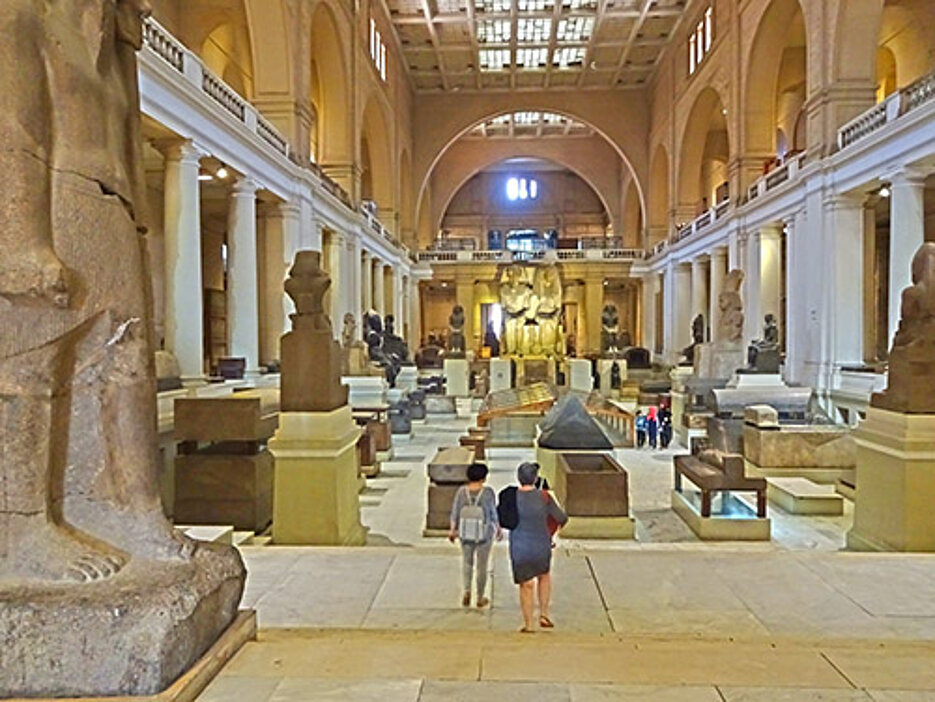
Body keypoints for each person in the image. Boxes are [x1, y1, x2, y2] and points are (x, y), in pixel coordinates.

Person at [506, 462, 568, 632]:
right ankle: (544, 614)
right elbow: (561, 518)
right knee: (544, 576)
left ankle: (528, 624)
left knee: (526, 585)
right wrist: (551, 532)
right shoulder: (544, 497)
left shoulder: (511, 497)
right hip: (541, 542)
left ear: (519, 478)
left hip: (519, 545)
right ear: (535, 478)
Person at [449, 463, 501, 608]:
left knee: (467, 562)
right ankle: (480, 596)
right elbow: (492, 512)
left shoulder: (461, 492)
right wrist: (498, 527)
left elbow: (455, 512)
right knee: (482, 565)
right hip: (484, 533)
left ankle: (466, 591)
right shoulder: (488, 492)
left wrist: (453, 530)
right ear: (483, 477)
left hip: (465, 532)